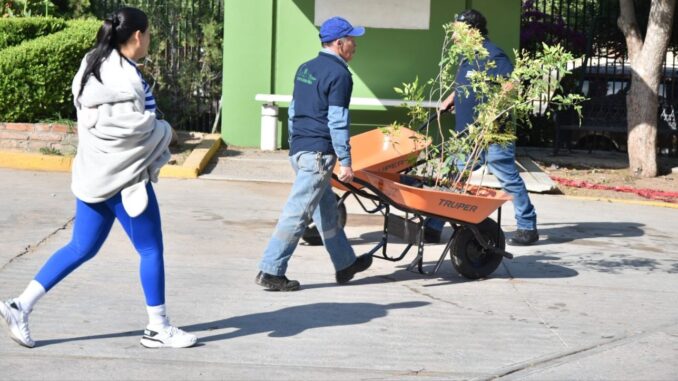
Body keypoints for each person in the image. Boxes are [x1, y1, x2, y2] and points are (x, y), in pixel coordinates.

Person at [0, 7, 197, 349]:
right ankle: (157, 327)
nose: (150, 39)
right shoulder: (127, 79)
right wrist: (164, 130)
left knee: (81, 247)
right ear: (137, 36)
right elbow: (132, 131)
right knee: (151, 249)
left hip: (94, 174)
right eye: (148, 34)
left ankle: (21, 305)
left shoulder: (93, 63)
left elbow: (108, 128)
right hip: (124, 179)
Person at [256, 16, 373, 291]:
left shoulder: (305, 68)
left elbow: (294, 111)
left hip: (301, 150)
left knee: (326, 212)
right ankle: (271, 270)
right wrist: (345, 160)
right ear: (339, 43)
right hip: (318, 154)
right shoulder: (340, 75)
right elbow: (337, 120)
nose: (355, 45)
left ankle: (345, 264)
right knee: (297, 213)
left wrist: (294, 146)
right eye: (352, 40)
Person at [429, 9, 539, 246]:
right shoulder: (468, 56)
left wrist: (491, 112)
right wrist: (451, 98)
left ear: (472, 31)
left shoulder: (492, 54)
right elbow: (466, 84)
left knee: (506, 177)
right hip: (467, 132)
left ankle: (527, 226)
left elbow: (511, 83)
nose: (454, 36)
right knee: (454, 176)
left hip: (493, 132)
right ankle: (433, 226)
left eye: (457, 31)